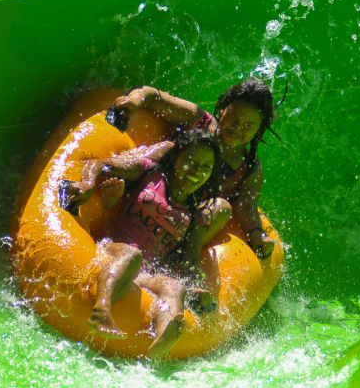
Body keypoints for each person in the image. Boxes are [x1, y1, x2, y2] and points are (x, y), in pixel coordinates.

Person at [60, 127, 221, 356]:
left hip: (145, 273)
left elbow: (182, 260)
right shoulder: (149, 173)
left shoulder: (192, 212)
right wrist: (87, 184)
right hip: (112, 248)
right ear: (176, 158)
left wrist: (194, 291)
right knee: (132, 255)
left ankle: (159, 344)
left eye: (205, 168)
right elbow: (99, 164)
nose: (196, 171)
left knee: (174, 287)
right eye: (191, 161)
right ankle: (102, 309)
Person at [110, 78, 280, 261]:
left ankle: (180, 258)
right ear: (223, 109)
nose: (238, 127)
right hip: (153, 195)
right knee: (168, 147)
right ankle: (109, 171)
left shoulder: (249, 167)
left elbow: (247, 206)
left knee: (222, 207)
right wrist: (134, 101)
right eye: (234, 117)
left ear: (258, 130)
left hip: (182, 223)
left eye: (248, 125)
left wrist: (256, 233)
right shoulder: (199, 121)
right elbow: (153, 96)